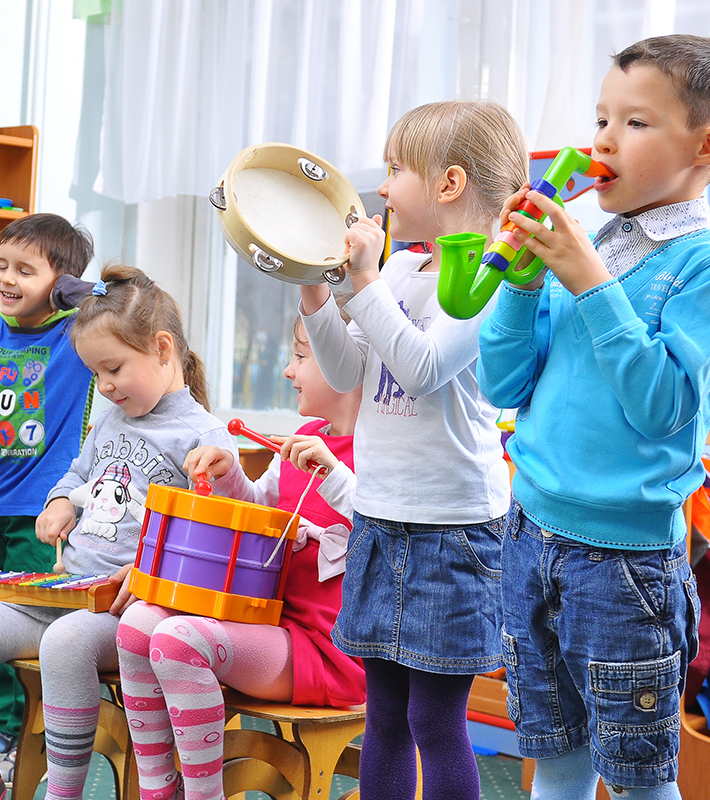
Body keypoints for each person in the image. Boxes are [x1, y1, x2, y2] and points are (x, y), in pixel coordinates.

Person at [478, 35, 710, 800]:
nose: (600, 140)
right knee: (555, 760)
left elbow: (662, 408)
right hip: (530, 535)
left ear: (705, 145)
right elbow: (502, 384)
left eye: (633, 123)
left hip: (622, 566)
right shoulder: (590, 243)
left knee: (636, 778)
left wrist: (588, 280)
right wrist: (524, 282)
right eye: (600, 118)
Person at [0, 264, 236, 800]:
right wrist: (61, 500)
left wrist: (225, 479)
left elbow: (219, 535)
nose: (105, 386)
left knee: (66, 643)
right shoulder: (111, 418)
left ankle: (62, 793)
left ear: (163, 349)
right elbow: (77, 473)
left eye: (113, 368)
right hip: (67, 591)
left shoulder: (206, 436)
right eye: (95, 374)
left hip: (124, 612)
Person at [298, 101, 526, 799]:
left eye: (396, 170)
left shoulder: (490, 278)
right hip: (381, 515)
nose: (383, 189)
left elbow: (423, 366)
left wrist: (362, 284)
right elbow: (346, 374)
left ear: (448, 184)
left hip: (452, 530)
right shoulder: (397, 269)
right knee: (385, 715)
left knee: (433, 716)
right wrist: (313, 287)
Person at [118, 314, 364, 800]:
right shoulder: (303, 437)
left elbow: (386, 527)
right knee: (138, 622)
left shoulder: (380, 452)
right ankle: (158, 790)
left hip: (331, 652)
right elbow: (257, 514)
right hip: (273, 625)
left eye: (300, 357)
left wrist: (334, 471)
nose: (289, 372)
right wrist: (230, 473)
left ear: (345, 363)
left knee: (178, 639)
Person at [0, 213, 97, 776]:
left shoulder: (76, 334)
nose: (5, 278)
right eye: (1, 265)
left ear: (59, 284)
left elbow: (121, 298)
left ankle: (26, 734)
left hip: (44, 506)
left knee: (32, 624)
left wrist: (71, 290)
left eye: (24, 271)